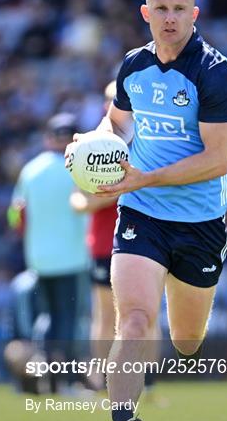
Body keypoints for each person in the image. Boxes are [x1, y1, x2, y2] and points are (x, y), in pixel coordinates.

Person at [67, 0, 227, 421]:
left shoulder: (214, 72)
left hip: (201, 222)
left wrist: (142, 177)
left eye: (179, 9)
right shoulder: (133, 66)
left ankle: (152, 375)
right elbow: (116, 122)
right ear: (146, 14)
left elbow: (217, 159)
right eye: (160, 9)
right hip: (142, 214)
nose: (169, 18)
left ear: (194, 14)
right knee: (136, 318)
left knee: (187, 341)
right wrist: (90, 146)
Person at [70, 81, 164, 399]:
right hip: (104, 240)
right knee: (106, 313)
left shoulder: (145, 143)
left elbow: (93, 198)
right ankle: (101, 379)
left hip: (142, 235)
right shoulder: (96, 142)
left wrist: (88, 200)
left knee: (143, 311)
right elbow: (81, 195)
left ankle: (145, 380)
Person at [11, 113, 90, 391]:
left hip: (39, 259)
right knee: (69, 320)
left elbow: (15, 217)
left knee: (45, 318)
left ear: (48, 138)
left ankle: (45, 379)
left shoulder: (30, 170)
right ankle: (66, 381)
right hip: (74, 256)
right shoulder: (79, 167)